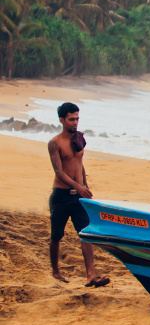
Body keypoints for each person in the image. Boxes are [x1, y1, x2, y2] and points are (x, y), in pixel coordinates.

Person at [47, 102, 106, 287]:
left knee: (85, 233)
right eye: (71, 119)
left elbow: (80, 164)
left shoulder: (79, 139)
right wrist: (78, 187)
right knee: (56, 235)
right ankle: (56, 272)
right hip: (61, 196)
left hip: (78, 197)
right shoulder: (55, 143)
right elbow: (59, 172)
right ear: (62, 120)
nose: (75, 122)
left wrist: (85, 187)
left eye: (77, 119)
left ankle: (91, 276)